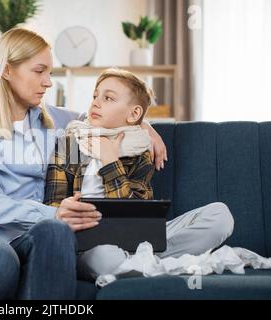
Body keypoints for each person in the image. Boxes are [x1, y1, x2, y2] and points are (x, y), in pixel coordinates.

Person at [0, 28, 168, 300]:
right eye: (39, 71)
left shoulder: (56, 120)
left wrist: (145, 125)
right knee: (1, 258)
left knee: (56, 232)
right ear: (6, 71)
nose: (48, 82)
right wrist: (53, 214)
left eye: (50, 73)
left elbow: (105, 115)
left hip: (23, 235)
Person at [44, 68, 235, 281]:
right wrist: (68, 211)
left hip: (135, 241)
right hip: (89, 244)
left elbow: (130, 215)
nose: (95, 103)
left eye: (108, 98)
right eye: (95, 96)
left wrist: (110, 161)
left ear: (134, 114)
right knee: (104, 257)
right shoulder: (68, 144)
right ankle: (153, 264)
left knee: (220, 215)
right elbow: (53, 209)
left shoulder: (140, 149)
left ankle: (138, 263)